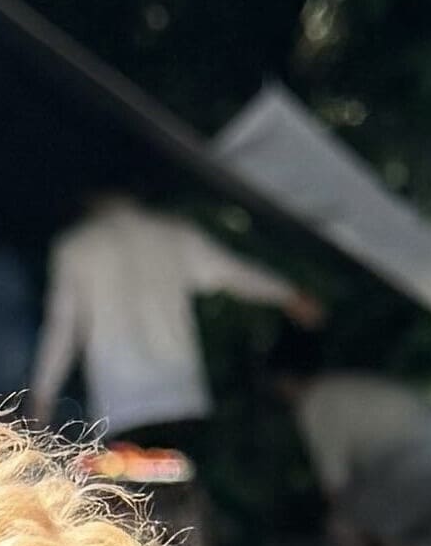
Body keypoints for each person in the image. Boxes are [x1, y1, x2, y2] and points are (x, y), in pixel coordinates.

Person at [28, 188, 318, 455]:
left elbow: (62, 330)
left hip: (122, 406)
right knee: (184, 482)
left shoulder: (76, 248)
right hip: (180, 398)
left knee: (133, 490)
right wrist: (289, 295)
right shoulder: (171, 233)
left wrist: (41, 400)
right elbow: (233, 272)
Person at [268, 326, 431, 546]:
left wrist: (358, 530)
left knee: (345, 523)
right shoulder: (345, 384)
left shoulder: (314, 402)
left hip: (425, 453)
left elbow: (336, 486)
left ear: (285, 380)